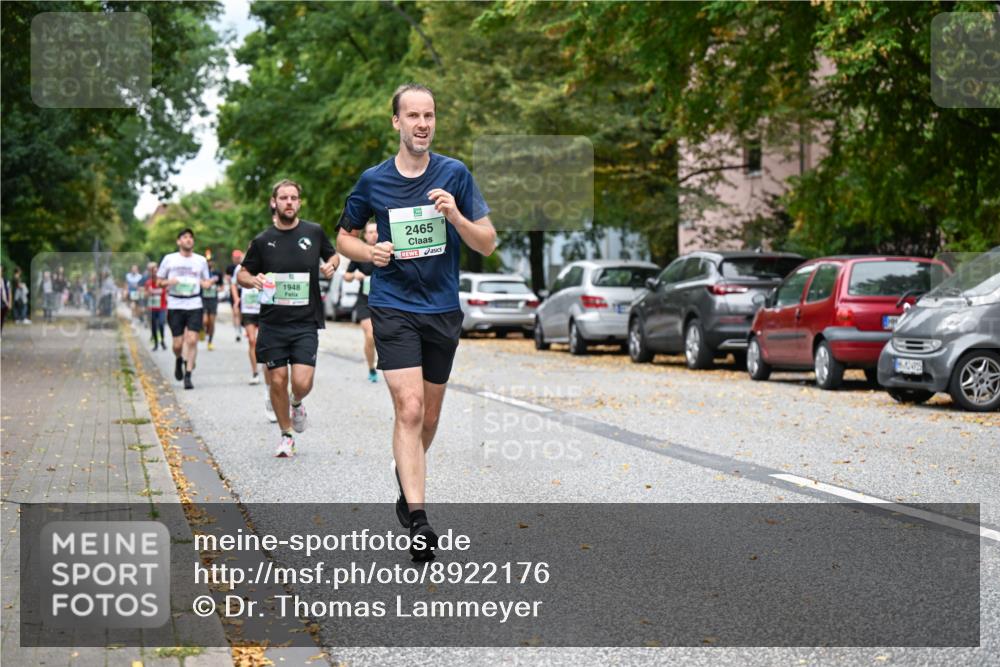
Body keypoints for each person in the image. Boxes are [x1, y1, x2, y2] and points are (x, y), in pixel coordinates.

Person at [336, 84, 496, 560]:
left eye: (429, 116)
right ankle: (420, 521)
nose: (422, 123)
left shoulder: (455, 174)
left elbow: (486, 242)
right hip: (393, 305)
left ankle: (407, 482)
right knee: (408, 408)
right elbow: (343, 239)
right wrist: (371, 252)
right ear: (396, 123)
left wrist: (456, 217)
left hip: (442, 310)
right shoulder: (373, 182)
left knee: (428, 416)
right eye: (413, 116)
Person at [238, 180, 339, 457]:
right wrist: (253, 280)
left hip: (306, 322)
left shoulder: (314, 232)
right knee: (278, 380)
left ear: (299, 203)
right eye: (284, 198)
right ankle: (286, 435)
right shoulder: (262, 241)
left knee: (302, 383)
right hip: (272, 322)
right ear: (274, 202)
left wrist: (331, 265)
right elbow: (242, 274)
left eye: (294, 198)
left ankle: (297, 403)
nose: (289, 202)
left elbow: (333, 255)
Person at [157, 228, 211, 390]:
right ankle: (179, 359)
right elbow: (159, 281)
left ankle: (188, 375)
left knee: (193, 339)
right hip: (175, 304)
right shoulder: (169, 259)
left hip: (194, 303)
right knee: (177, 344)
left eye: (190, 237)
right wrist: (169, 282)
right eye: (185, 237)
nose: (188, 240)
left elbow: (206, 281)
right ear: (178, 241)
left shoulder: (201, 260)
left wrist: (206, 284)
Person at [232, 258, 276, 422]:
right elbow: (235, 283)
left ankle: (270, 390)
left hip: (265, 310)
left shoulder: (270, 264)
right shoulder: (241, 269)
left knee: (266, 349)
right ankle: (254, 372)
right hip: (248, 310)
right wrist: (236, 298)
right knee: (252, 341)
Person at [343, 221, 379, 382]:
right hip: (365, 300)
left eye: (376, 231)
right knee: (370, 335)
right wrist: (356, 275)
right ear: (365, 235)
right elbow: (346, 276)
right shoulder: (360, 253)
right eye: (370, 232)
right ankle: (372, 368)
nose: (373, 234)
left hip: (384, 300)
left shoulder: (387, 250)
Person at [145, 262, 167, 350]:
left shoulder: (162, 281)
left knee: (161, 323)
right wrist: (149, 292)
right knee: (154, 325)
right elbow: (146, 293)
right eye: (154, 272)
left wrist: (153, 291)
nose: (155, 273)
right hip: (152, 307)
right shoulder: (148, 282)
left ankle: (162, 341)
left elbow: (163, 291)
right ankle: (156, 343)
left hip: (161, 306)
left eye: (157, 272)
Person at [202, 260, 222, 350]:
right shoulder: (202, 273)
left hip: (213, 300)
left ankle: (210, 342)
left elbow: (222, 286)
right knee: (205, 320)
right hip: (204, 299)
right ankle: (205, 331)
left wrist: (218, 288)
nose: (209, 263)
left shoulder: (217, 273)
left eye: (211, 261)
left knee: (212, 322)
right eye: (208, 261)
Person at [225, 249, 244, 342]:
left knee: (240, 312)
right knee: (235, 311)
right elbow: (228, 279)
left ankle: (240, 326)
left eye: (238, 257)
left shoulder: (245, 266)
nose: (236, 259)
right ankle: (237, 330)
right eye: (235, 257)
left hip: (243, 290)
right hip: (234, 290)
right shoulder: (230, 267)